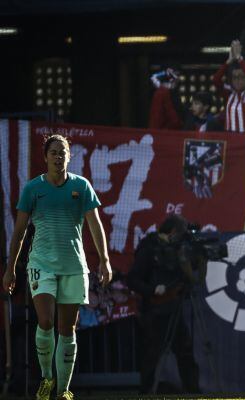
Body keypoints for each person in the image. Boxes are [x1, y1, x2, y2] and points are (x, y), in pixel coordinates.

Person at [2, 135, 113, 400]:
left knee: (67, 328)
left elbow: (95, 225)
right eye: (53, 152)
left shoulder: (81, 186)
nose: (58, 156)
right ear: (45, 157)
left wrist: (105, 260)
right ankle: (47, 379)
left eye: (62, 152)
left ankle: (63, 390)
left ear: (69, 156)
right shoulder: (32, 189)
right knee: (45, 320)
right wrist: (10, 268)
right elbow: (18, 232)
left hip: (74, 265)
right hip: (41, 263)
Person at [126, 214, 200, 394]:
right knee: (152, 353)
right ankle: (146, 391)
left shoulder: (179, 248)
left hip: (175, 308)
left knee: (185, 351)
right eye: (181, 233)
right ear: (173, 231)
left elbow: (192, 269)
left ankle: (192, 390)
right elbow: (133, 279)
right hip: (155, 310)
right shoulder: (149, 247)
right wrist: (152, 290)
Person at [212, 40, 245, 134]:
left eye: (241, 77)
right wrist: (228, 62)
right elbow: (216, 80)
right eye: (235, 78)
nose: (238, 81)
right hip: (231, 140)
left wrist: (239, 58)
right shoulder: (229, 94)